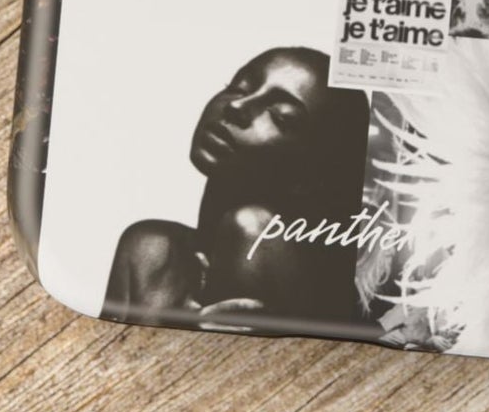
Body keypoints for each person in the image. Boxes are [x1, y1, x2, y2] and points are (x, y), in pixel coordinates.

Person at [104, 47, 375, 333]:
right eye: (238, 87)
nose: (237, 106)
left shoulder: (256, 231)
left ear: (316, 174)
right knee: (151, 243)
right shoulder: (155, 249)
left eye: (282, 117)